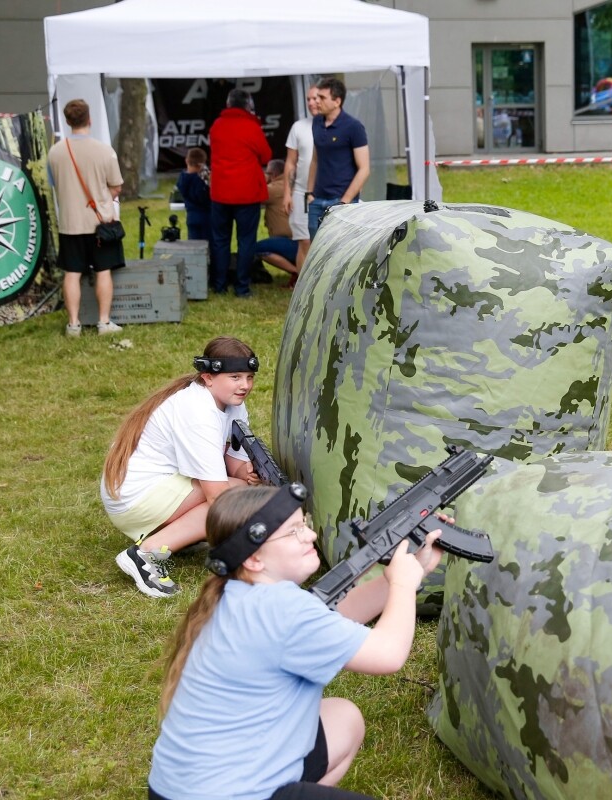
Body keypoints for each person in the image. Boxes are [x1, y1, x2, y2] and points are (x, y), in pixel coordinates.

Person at [147, 482, 444, 800]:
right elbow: (388, 655)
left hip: (173, 791)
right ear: (254, 560)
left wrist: (418, 569)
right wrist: (402, 582)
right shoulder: (283, 609)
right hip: (231, 794)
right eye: (292, 532)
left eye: (304, 524)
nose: (311, 535)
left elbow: (338, 617)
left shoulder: (240, 593)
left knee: (343, 718)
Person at [101, 336, 264, 598]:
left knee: (243, 487)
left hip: (151, 490)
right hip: (134, 500)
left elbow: (233, 458)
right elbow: (217, 495)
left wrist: (248, 473)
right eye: (235, 377)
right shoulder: (199, 412)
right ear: (208, 377)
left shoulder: (231, 403)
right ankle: (145, 554)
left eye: (249, 377)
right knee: (238, 497)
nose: (245, 385)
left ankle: (180, 535)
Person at [47, 98, 125, 337]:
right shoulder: (104, 150)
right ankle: (103, 322)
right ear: (89, 119)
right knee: (103, 271)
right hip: (100, 223)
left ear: (68, 121)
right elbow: (116, 187)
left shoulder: (56, 151)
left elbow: (55, 184)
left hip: (70, 223)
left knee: (72, 272)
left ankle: (73, 324)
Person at [209, 88, 272, 298]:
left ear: (228, 104)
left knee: (220, 240)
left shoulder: (217, 126)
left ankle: (219, 284)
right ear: (248, 105)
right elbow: (265, 155)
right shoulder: (251, 127)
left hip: (220, 192)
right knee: (246, 240)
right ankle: (242, 287)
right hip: (247, 193)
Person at [305, 77, 369, 241]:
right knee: (317, 253)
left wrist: (344, 202)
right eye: (316, 97)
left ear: (337, 101)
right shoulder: (317, 122)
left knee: (340, 251)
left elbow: (364, 169)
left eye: (322, 98)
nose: (316, 101)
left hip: (341, 201)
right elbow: (315, 159)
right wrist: (310, 193)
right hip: (317, 200)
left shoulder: (354, 127)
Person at [283, 84, 319, 272]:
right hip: (301, 192)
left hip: (327, 194)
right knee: (304, 241)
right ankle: (302, 290)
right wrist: (287, 193)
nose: (312, 103)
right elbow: (290, 162)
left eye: (316, 98)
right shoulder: (298, 127)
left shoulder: (338, 126)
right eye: (308, 99)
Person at [255, 159, 300, 282]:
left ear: (273, 174)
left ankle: (296, 272)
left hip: (289, 242)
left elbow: (252, 195)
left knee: (256, 248)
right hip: (301, 241)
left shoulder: (274, 188)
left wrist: (261, 180)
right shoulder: (293, 185)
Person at [176, 147, 211, 242]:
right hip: (205, 216)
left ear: (187, 161)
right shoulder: (200, 180)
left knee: (193, 245)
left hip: (191, 216)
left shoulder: (183, 178)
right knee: (207, 245)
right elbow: (202, 198)